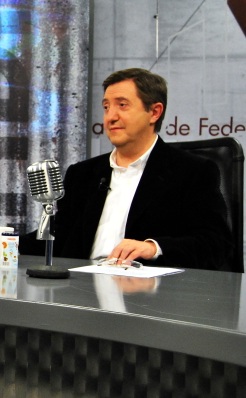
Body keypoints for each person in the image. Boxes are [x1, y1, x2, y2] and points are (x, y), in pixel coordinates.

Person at [42, 67, 233, 270]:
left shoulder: (192, 172)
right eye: (106, 107)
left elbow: (216, 244)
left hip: (147, 285)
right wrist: (15, 241)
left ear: (154, 112)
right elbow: (57, 238)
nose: (110, 117)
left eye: (122, 105)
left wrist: (154, 248)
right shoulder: (82, 174)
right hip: (80, 282)